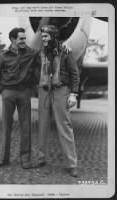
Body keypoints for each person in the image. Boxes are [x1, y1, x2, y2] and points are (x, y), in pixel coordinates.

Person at [0, 28, 38, 169]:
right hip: (8, 93)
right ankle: (4, 159)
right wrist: (2, 90)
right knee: (6, 127)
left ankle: (25, 160)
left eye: (25, 38)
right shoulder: (3, 56)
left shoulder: (31, 53)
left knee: (26, 127)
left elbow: (45, 54)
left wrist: (63, 47)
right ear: (12, 39)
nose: (24, 41)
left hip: (24, 92)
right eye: (21, 39)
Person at [35, 25, 80, 177]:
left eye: (46, 36)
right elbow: (33, 67)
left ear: (53, 36)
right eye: (42, 36)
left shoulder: (66, 52)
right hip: (44, 91)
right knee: (42, 125)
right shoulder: (40, 52)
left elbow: (74, 73)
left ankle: (71, 164)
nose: (43, 39)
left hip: (61, 90)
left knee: (64, 126)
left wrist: (73, 94)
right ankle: (41, 158)